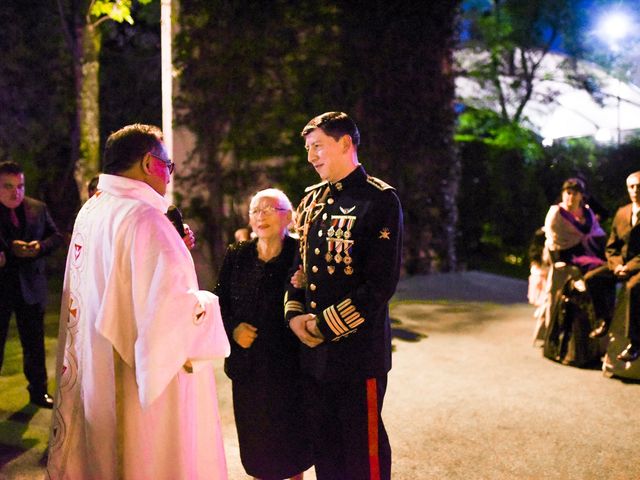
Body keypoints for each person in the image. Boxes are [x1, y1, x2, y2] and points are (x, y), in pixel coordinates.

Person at [46, 124, 230, 479]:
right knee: (144, 459)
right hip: (137, 382)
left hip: (97, 364)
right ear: (149, 163)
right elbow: (168, 313)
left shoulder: (94, 209)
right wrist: (207, 307)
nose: (169, 175)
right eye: (168, 165)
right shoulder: (145, 217)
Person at [284, 112, 403, 480]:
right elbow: (299, 268)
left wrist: (321, 325)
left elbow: (380, 285)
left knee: (362, 455)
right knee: (327, 453)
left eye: (317, 146)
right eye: (308, 148)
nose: (311, 156)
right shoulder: (312, 202)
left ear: (346, 144)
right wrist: (294, 314)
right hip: (314, 355)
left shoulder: (380, 201)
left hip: (357, 354)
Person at [215, 188, 312, 480]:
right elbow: (220, 301)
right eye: (255, 211)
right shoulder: (237, 255)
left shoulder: (301, 254)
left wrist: (309, 282)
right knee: (257, 445)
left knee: (292, 444)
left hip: (291, 367)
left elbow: (318, 300)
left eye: (269, 209)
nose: (261, 216)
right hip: (249, 367)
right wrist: (233, 329)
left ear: (289, 218)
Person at [0, 161, 62, 408]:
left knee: (35, 345)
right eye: (8, 186)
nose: (16, 192)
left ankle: (38, 392)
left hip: (31, 287)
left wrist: (40, 247)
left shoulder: (38, 208)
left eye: (20, 186)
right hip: (2, 289)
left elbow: (56, 236)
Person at [544, 177, 615, 339]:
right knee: (598, 270)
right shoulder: (556, 213)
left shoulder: (587, 212)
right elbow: (555, 239)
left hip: (590, 251)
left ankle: (608, 313)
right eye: (568, 193)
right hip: (569, 253)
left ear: (581, 196)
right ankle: (603, 317)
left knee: (607, 269)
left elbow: (596, 232)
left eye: (575, 193)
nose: (571, 197)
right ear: (563, 194)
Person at [605, 171, 640, 362]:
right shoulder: (622, 212)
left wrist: (629, 267)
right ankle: (603, 319)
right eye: (632, 186)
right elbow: (612, 246)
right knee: (593, 278)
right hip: (620, 265)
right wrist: (617, 265)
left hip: (637, 267)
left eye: (639, 187)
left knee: (634, 288)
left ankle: (635, 343)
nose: (635, 191)